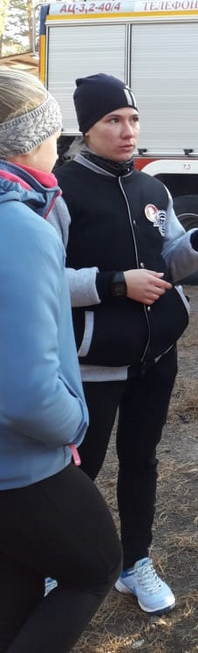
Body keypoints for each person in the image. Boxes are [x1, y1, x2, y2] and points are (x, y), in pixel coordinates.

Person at [51, 73, 198, 616]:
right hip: (94, 362)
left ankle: (136, 564)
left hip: (156, 357)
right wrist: (114, 283)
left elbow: (170, 263)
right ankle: (57, 565)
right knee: (79, 471)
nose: (127, 130)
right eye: (113, 120)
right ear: (88, 128)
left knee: (141, 459)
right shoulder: (61, 191)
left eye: (132, 119)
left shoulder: (153, 190)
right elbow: (43, 279)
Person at [0, 68, 121, 652]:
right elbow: (26, 393)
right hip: (22, 461)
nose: (60, 144)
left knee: (18, 575)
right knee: (95, 565)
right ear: (29, 139)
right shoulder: (19, 227)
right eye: (54, 132)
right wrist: (74, 424)